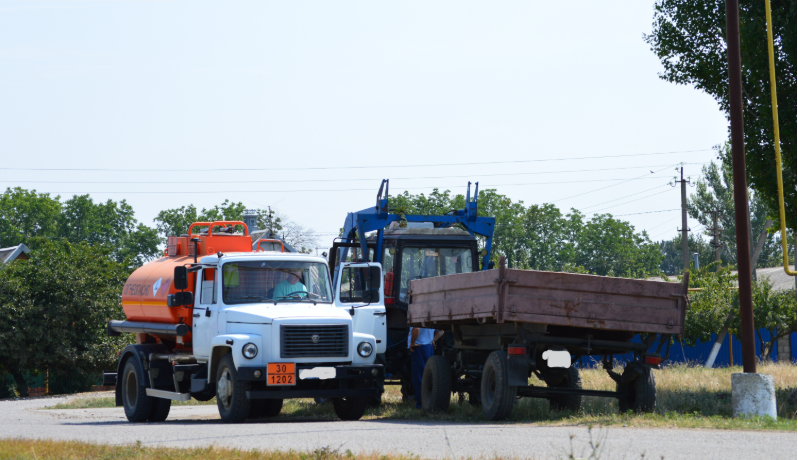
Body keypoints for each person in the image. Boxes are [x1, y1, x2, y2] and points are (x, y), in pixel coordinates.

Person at [408, 327, 445, 409]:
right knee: (429, 376)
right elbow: (441, 330)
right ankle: (429, 401)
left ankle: (421, 404)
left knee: (419, 377)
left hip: (419, 347)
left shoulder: (417, 314)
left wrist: (412, 342)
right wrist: (433, 340)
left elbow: (416, 328)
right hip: (429, 347)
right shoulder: (431, 314)